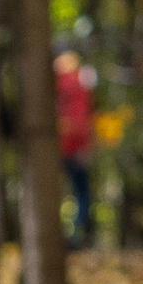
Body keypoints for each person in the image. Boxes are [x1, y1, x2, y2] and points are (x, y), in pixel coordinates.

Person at [55, 49, 96, 248]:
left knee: (72, 191)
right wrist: (84, 146)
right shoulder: (78, 83)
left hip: (61, 147)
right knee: (80, 191)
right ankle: (76, 233)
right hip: (71, 148)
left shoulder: (58, 83)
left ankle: (73, 234)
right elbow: (81, 119)